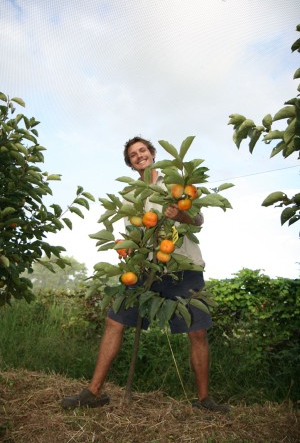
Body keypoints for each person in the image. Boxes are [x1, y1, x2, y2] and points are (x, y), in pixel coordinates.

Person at [61, 136, 230, 413]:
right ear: (130, 163)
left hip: (182, 266)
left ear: (152, 154)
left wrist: (180, 217)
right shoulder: (132, 194)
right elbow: (134, 234)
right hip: (145, 269)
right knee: (114, 321)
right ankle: (93, 392)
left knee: (197, 331)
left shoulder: (174, 183)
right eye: (133, 154)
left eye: (143, 151)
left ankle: (203, 400)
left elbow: (198, 220)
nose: (139, 156)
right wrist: (129, 254)